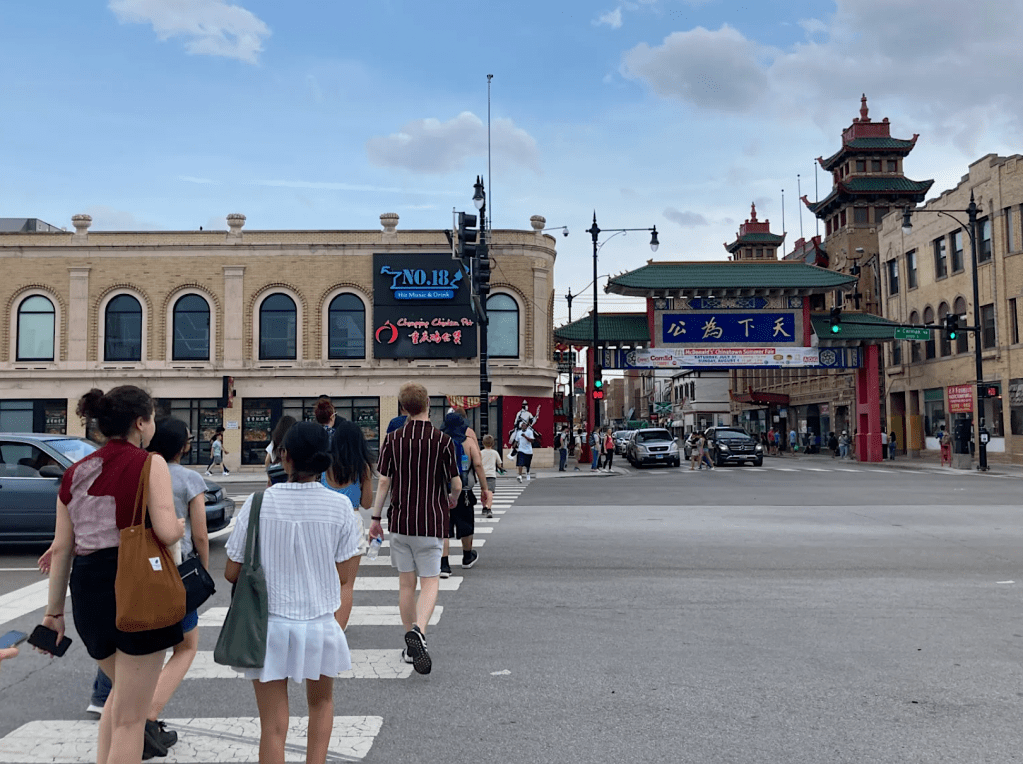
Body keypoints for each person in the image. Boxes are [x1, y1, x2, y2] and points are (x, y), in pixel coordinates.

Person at [39, 386, 185, 763]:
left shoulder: (74, 473)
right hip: (136, 586)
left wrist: (53, 613)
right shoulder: (149, 463)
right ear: (141, 423)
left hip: (88, 591)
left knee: (120, 699)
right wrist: (179, 526)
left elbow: (61, 548)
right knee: (131, 720)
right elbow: (167, 530)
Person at [225, 421, 360, 764]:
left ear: (284, 456)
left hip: (267, 626)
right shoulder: (340, 507)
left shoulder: (257, 503)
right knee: (322, 704)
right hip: (320, 622)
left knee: (272, 725)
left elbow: (231, 571)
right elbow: (345, 577)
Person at [369, 382, 461, 675]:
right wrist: (452, 498)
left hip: (401, 520)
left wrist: (375, 518)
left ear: (402, 407)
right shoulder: (442, 441)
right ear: (428, 403)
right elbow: (456, 482)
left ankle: (411, 644)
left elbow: (384, 481)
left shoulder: (393, 439)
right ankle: (419, 631)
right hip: (431, 520)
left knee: (406, 585)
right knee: (430, 581)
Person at [145, 418, 209, 749]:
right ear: (183, 446)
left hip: (140, 568)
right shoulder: (189, 478)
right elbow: (200, 534)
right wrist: (204, 571)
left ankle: (122, 706)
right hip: (176, 569)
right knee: (185, 646)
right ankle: (148, 717)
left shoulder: (140, 471)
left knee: (147, 647)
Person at [321, 419, 375, 630]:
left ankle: (324, 625)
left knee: (326, 581)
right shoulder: (361, 468)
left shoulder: (324, 465)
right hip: (351, 520)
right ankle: (338, 630)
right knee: (346, 584)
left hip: (325, 521)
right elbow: (367, 503)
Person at [439, 411, 489, 577]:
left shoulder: (439, 441)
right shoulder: (468, 442)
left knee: (444, 526)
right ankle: (467, 556)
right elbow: (478, 465)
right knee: (466, 523)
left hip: (443, 490)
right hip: (465, 490)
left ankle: (444, 565)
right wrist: (484, 488)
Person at [265, 415, 297, 486]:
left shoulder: (275, 441)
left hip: (276, 475)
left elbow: (267, 460)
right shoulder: (294, 440)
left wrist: (269, 476)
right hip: (290, 474)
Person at [479, 434, 502, 518]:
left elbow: (478, 463)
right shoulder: (495, 453)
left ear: (483, 443)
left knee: (483, 492)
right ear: (493, 443)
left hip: (482, 475)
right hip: (491, 475)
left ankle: (484, 507)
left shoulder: (480, 453)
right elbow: (499, 463)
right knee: (490, 492)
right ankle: (489, 508)